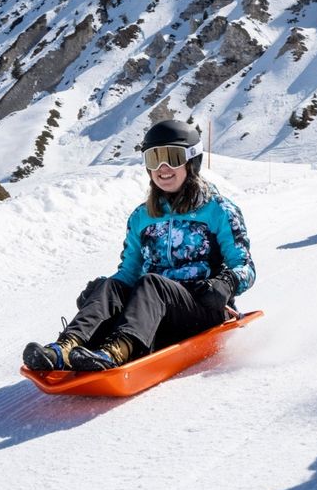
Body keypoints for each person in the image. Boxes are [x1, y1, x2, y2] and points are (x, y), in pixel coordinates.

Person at [23, 120, 255, 373]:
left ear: (192, 161)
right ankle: (65, 348)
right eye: (154, 159)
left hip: (202, 308)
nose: (162, 168)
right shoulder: (141, 217)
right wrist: (101, 292)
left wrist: (226, 283)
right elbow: (129, 272)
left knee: (151, 283)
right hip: (152, 310)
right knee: (113, 285)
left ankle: (117, 351)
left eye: (172, 157)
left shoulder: (218, 210)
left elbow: (244, 265)